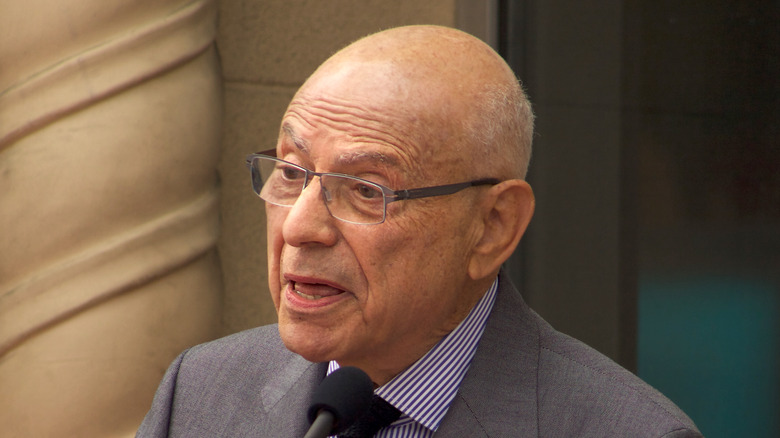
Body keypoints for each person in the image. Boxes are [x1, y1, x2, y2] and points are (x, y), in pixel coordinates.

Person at [137, 25, 702, 437]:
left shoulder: (627, 430)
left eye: (365, 189)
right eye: (290, 173)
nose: (301, 227)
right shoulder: (201, 393)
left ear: (492, 228)